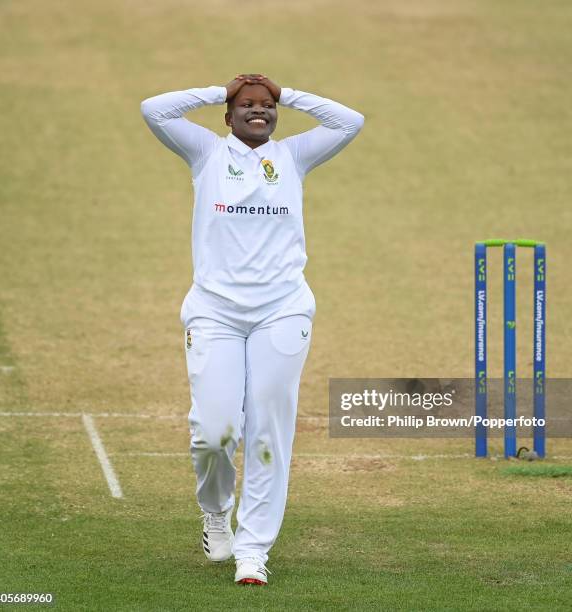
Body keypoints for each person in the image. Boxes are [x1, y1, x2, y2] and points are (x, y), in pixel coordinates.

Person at [140, 74, 364, 585]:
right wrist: (218, 89)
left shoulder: (294, 156)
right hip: (215, 311)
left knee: (268, 431)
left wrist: (290, 94)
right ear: (228, 115)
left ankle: (253, 549)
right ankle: (215, 512)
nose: (258, 111)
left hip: (281, 310)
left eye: (266, 106)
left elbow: (350, 121)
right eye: (246, 105)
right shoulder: (205, 153)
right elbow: (154, 109)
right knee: (216, 431)